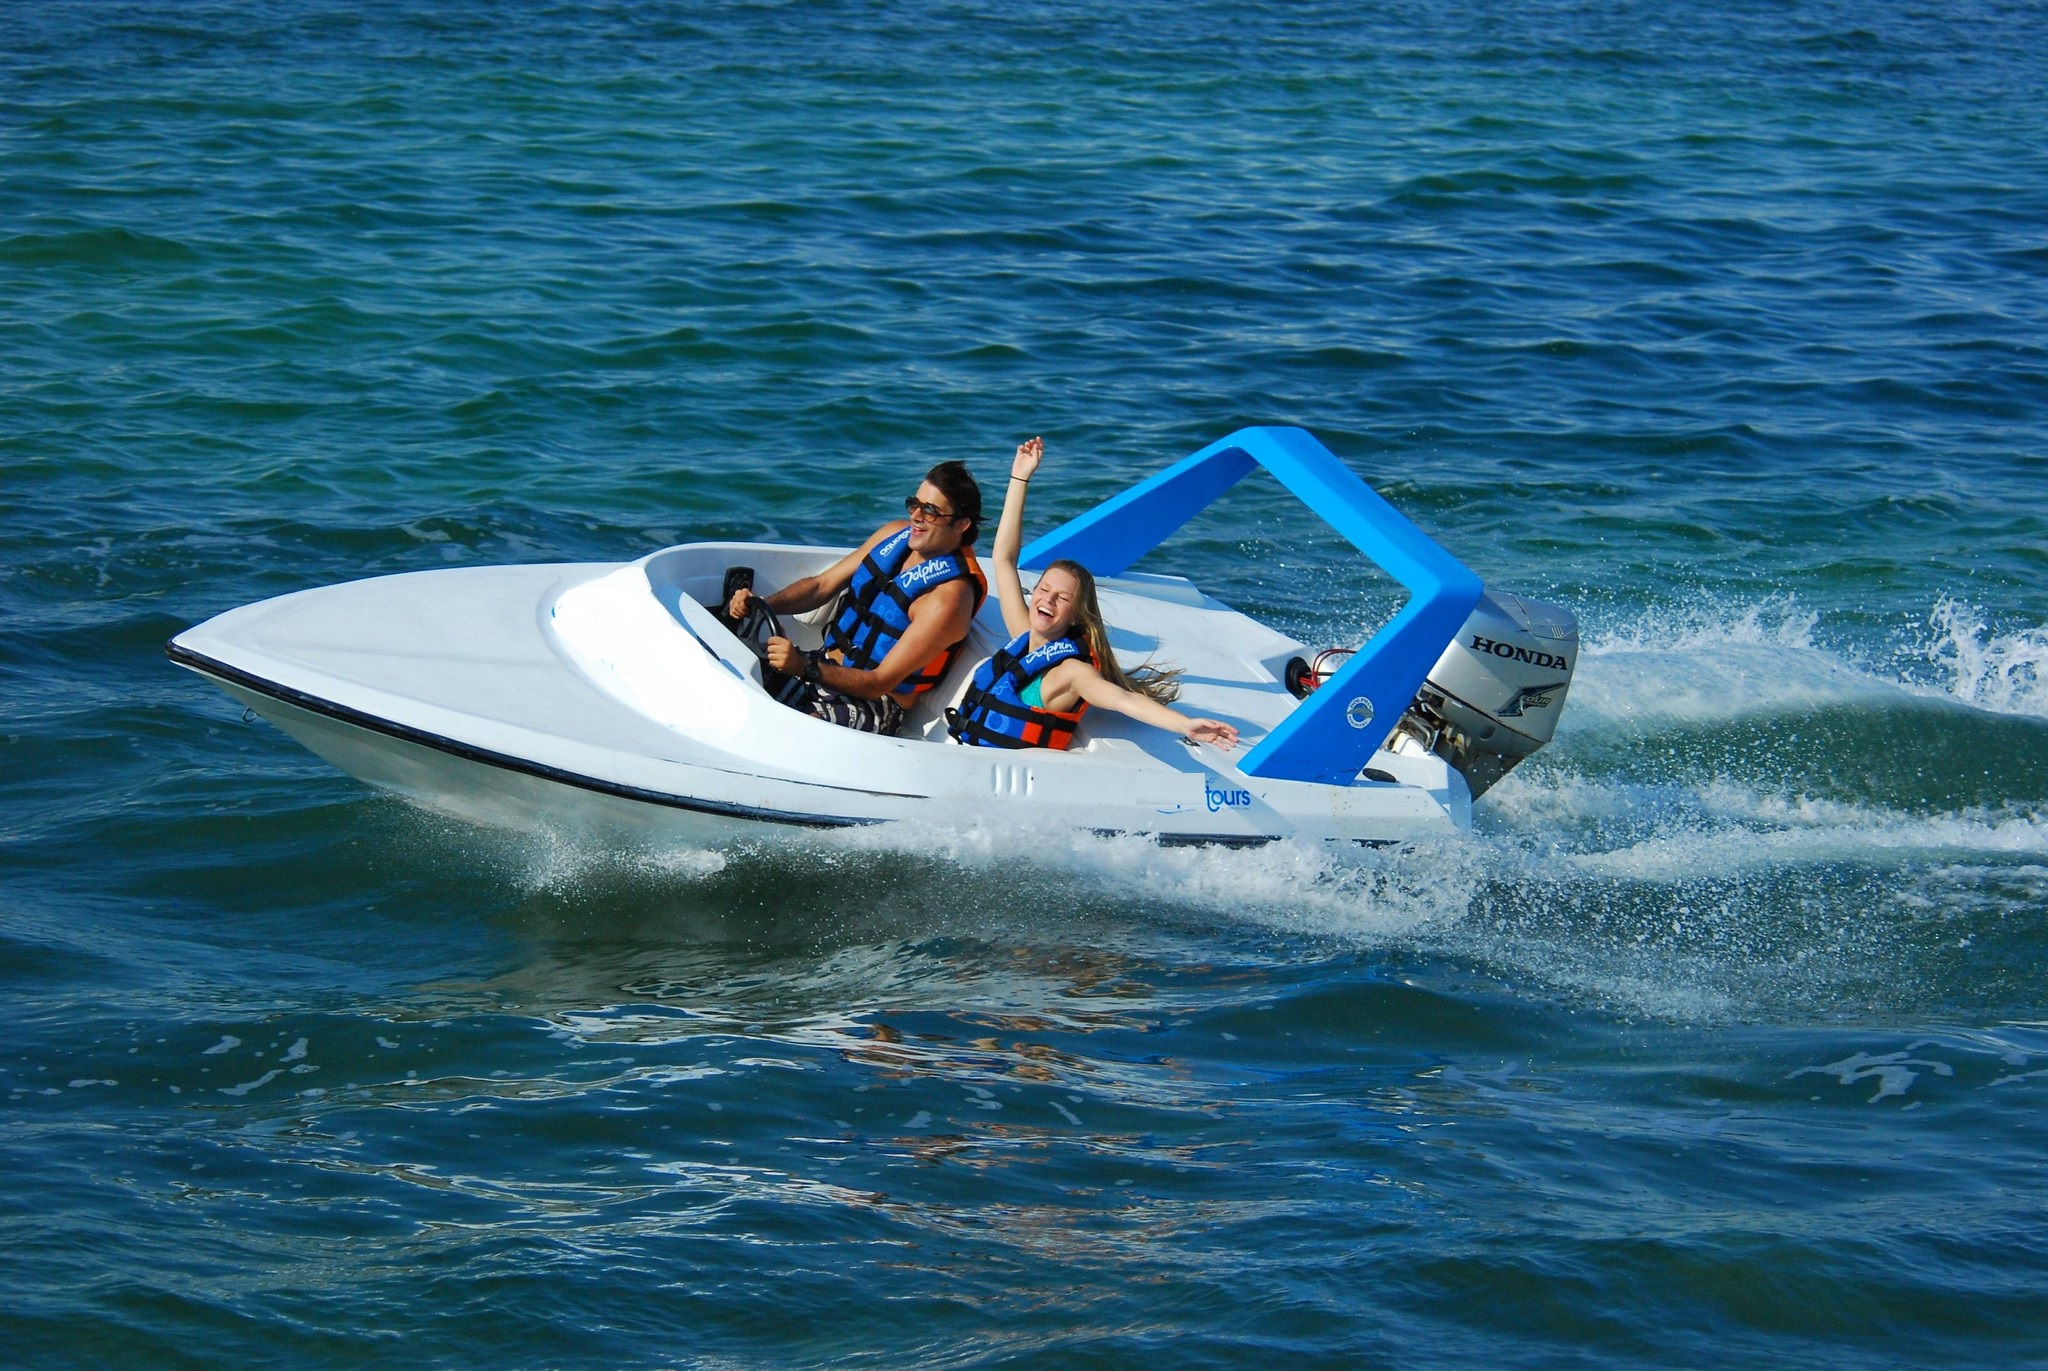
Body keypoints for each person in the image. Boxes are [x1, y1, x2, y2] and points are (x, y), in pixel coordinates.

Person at [946, 437, 1239, 752]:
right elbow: (1004, 559)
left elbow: (1122, 699)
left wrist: (1184, 724)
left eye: (1062, 598)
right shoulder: (1025, 638)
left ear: (1076, 613)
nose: (1048, 600)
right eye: (1044, 590)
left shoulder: (1071, 672)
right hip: (967, 753)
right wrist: (1020, 478)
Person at [726, 460, 987, 736]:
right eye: (915, 504)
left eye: (931, 511)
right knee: (737, 684)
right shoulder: (893, 535)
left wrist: (802, 665)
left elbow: (879, 682)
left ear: (961, 524)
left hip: (873, 704)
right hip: (822, 665)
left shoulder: (947, 600)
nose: (916, 516)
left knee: (785, 730)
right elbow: (821, 586)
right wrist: (764, 604)